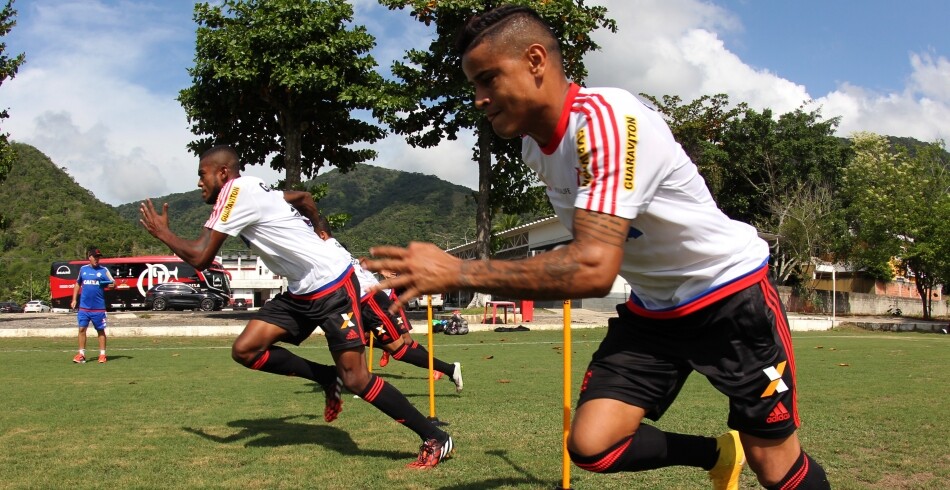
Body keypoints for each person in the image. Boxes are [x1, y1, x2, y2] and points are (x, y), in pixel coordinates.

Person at [367, 5, 828, 489]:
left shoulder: (609, 122)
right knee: (592, 445)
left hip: (729, 297)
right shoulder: (533, 147)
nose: (480, 99)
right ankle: (716, 453)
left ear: (536, 60)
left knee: (773, 464)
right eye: (474, 87)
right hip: (655, 313)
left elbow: (593, 268)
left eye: (488, 79)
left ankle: (750, 454)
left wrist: (459, 272)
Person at [138, 145, 453, 468]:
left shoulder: (236, 191)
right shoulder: (253, 190)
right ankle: (329, 378)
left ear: (222, 173)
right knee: (246, 349)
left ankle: (435, 437)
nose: (198, 182)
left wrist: (163, 233)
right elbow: (303, 197)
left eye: (202, 174)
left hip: (332, 285)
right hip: (301, 291)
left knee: (357, 379)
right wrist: (319, 225)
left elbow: (201, 256)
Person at [311, 216, 463, 392]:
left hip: (371, 302)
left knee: (399, 348)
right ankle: (355, 380)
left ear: (321, 235)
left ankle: (450, 369)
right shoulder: (334, 247)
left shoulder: (327, 250)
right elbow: (359, 262)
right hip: (362, 305)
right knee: (361, 340)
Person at [71, 247, 115, 364]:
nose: (97, 259)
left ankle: (102, 355)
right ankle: (81, 354)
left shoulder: (103, 270)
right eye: (95, 257)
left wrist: (111, 286)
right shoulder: (83, 270)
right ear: (89, 257)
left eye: (98, 257)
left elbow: (113, 283)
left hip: (98, 308)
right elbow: (77, 284)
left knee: (100, 330)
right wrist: (74, 299)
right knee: (81, 329)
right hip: (84, 307)